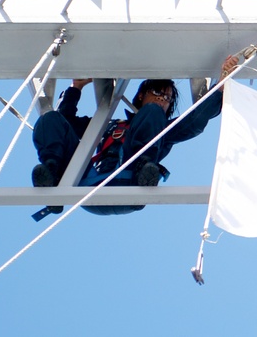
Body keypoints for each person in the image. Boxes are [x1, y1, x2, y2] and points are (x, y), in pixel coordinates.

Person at [31, 54, 239, 216]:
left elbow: (194, 121)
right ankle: (53, 174)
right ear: (141, 95)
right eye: (158, 92)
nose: (162, 100)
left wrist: (219, 87)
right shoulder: (106, 126)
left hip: (133, 184)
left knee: (152, 114)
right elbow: (63, 121)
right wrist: (75, 87)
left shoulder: (162, 128)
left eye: (167, 98)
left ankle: (144, 167)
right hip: (88, 185)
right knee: (50, 119)